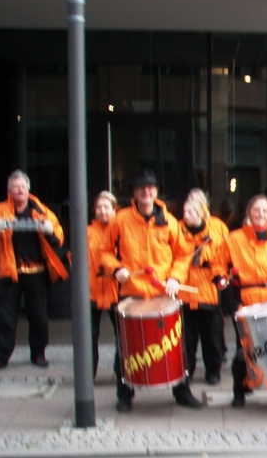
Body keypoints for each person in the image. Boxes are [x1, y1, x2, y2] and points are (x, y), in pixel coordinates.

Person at [101, 169, 200, 412]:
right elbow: (103, 251)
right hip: (131, 293)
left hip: (164, 294)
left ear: (156, 191)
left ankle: (182, 390)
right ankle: (124, 394)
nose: (147, 192)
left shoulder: (170, 221)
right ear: (134, 192)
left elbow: (183, 254)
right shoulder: (120, 219)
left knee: (177, 344)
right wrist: (115, 269)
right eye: (142, 188)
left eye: (151, 188)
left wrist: (176, 278)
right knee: (125, 346)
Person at [0, 170, 68, 373]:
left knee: (38, 317)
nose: (20, 190)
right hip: (9, 271)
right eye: (15, 187)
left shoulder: (41, 210)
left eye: (23, 186)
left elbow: (59, 236)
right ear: (9, 190)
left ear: (28, 189)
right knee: (4, 317)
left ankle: (38, 354)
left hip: (36, 272)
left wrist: (49, 231)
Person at [216, 194, 267, 409]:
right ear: (249, 213)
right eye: (256, 210)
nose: (260, 214)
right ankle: (240, 390)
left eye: (264, 210)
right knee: (244, 349)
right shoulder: (233, 239)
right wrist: (226, 290)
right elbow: (218, 264)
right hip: (247, 299)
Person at [178, 189, 229, 386]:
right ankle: (186, 369)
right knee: (186, 337)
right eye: (185, 209)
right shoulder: (177, 229)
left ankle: (213, 369)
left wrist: (218, 274)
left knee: (211, 335)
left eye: (192, 208)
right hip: (184, 290)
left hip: (208, 290)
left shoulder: (216, 228)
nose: (186, 214)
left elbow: (223, 256)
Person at [87, 190, 120, 379]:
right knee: (89, 337)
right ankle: (88, 375)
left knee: (122, 336)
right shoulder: (88, 232)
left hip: (116, 291)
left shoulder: (121, 229)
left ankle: (121, 372)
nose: (102, 210)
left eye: (106, 207)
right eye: (98, 207)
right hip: (91, 290)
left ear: (114, 209)